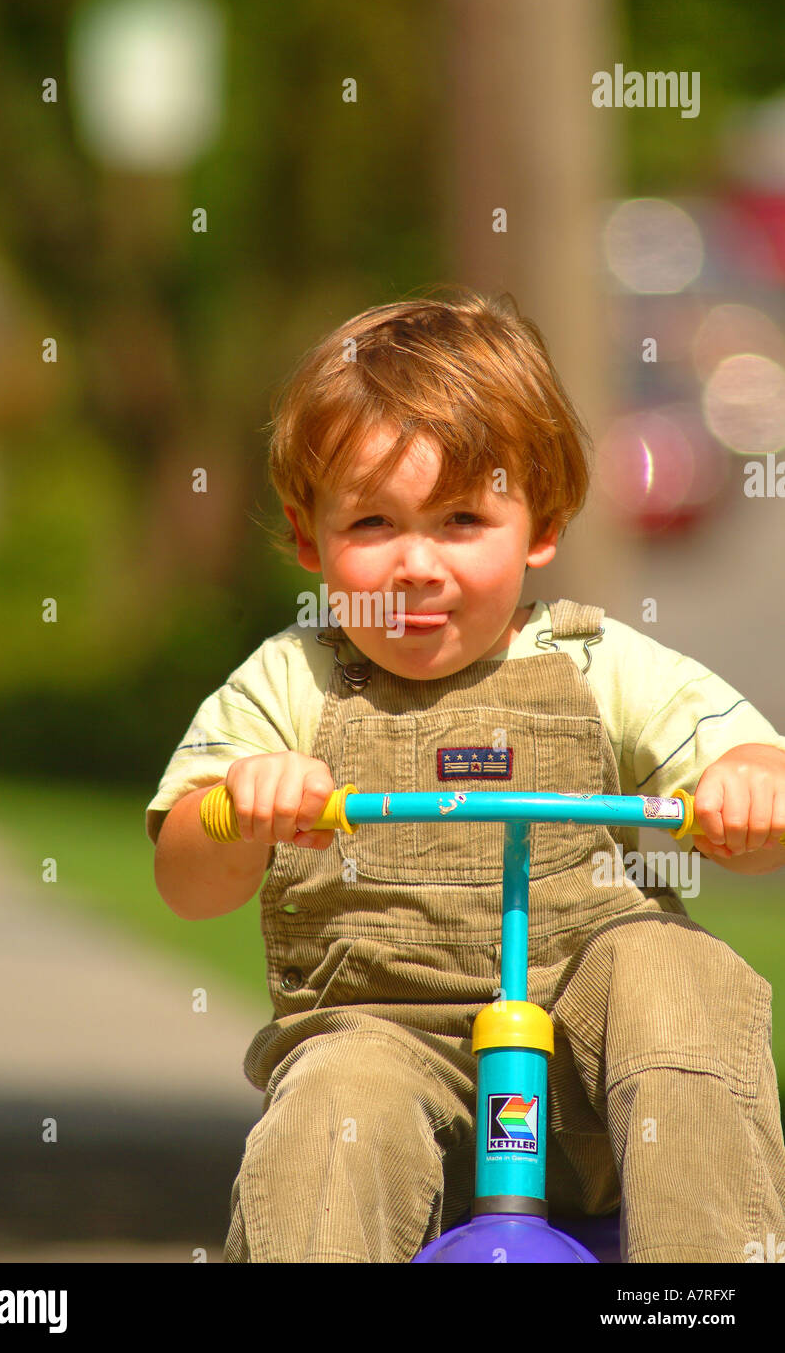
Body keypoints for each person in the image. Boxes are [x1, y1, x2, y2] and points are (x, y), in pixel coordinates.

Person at [147, 289, 785, 1263]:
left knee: (677, 969)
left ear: (539, 524)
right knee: (330, 1109)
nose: (416, 565)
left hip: (592, 1059)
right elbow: (185, 881)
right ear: (310, 538)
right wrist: (243, 807)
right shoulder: (292, 679)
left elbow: (744, 778)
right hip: (385, 1039)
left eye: (459, 519)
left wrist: (747, 786)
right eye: (371, 524)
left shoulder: (596, 662)